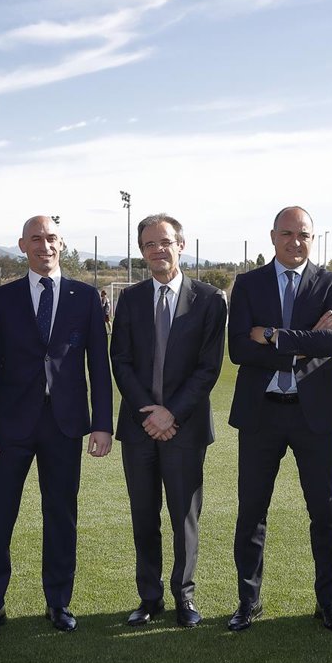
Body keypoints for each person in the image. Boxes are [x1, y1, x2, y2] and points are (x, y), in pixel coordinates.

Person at [0, 215, 113, 640]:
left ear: (61, 243)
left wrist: (102, 424)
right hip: (9, 426)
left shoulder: (85, 297)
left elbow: (99, 366)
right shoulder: (1, 298)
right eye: (36, 239)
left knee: (61, 517)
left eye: (51, 238)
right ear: (22, 245)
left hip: (64, 425)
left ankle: (58, 601)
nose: (44, 246)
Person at [227, 206, 332, 632]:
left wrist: (273, 336)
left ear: (312, 239)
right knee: (251, 511)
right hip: (260, 414)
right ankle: (248, 602)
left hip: (315, 415)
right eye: (287, 234)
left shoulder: (330, 282)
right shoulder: (248, 284)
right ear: (273, 236)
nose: (296, 242)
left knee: (325, 512)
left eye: (304, 235)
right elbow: (238, 350)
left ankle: (327, 602)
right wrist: (306, 341)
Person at [110, 214, 226, 629]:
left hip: (185, 428)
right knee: (144, 515)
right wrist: (150, 411)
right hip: (139, 428)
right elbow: (120, 361)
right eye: (149, 245)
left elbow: (208, 368)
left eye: (164, 242)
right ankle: (150, 597)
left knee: (183, 517)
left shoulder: (209, 299)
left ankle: (184, 597)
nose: (158, 250)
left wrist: (171, 413)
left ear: (181, 245)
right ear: (142, 252)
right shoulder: (130, 299)